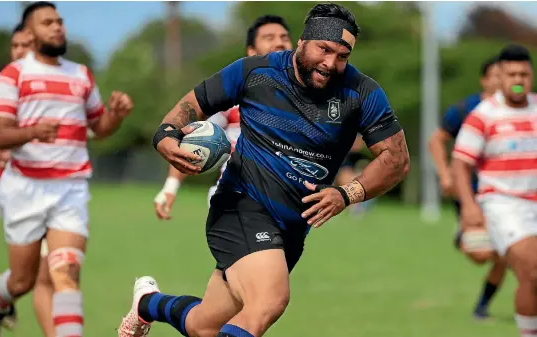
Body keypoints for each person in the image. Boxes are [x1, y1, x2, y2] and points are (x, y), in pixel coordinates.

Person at [119, 3, 409, 337]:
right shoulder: (254, 72)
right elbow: (191, 105)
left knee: (204, 326)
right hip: (241, 205)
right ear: (302, 42)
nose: (331, 63)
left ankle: (147, 303)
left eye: (342, 56)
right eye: (324, 50)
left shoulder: (361, 93)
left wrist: (347, 194)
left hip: (292, 229)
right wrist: (166, 135)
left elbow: (396, 160)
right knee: (269, 301)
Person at [0, 2, 133, 337]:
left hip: (70, 188)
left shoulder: (81, 75)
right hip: (25, 187)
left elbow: (98, 128)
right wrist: (33, 133)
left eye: (59, 21)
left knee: (65, 272)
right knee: (24, 279)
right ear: (28, 33)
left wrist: (115, 115)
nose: (57, 27)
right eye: (47, 22)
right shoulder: (13, 75)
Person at [154, 14, 293, 219]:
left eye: (284, 37)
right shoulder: (233, 96)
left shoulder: (309, 100)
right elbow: (196, 138)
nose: (279, 42)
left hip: (285, 204)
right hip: (235, 197)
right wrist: (170, 187)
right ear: (252, 52)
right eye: (269, 37)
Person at [452, 44, 537, 337]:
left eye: (524, 74)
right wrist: (469, 207)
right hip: (504, 205)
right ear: (499, 77)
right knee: (533, 270)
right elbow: (461, 164)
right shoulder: (483, 115)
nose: (518, 79)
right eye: (511, 73)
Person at [427, 55, 507, 319]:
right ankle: (463, 233)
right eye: (496, 75)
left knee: (510, 253)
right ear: (484, 79)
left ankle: (482, 307)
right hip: (469, 194)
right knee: (482, 254)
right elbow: (436, 140)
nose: (502, 80)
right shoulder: (465, 109)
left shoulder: (520, 111)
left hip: (506, 195)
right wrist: (445, 175)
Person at [0, 22, 34, 334]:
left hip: (30, 188)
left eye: (27, 46)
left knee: (40, 274)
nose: (20, 52)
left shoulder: (55, 91)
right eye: (16, 45)